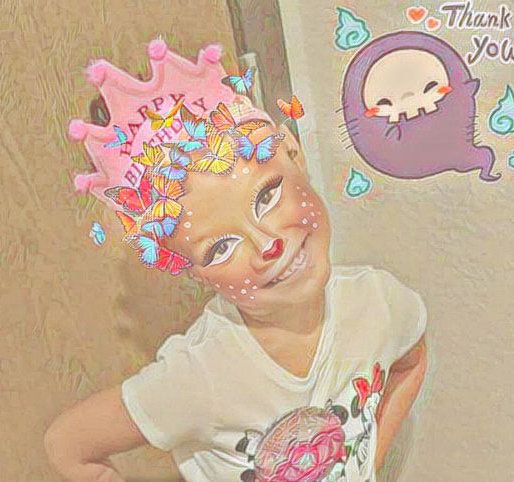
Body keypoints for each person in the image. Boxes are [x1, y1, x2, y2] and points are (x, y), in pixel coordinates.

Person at [44, 39, 428, 482]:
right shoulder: (199, 375)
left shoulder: (378, 301)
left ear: (292, 153)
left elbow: (411, 362)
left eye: (266, 196)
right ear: (193, 270)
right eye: (220, 247)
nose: (267, 245)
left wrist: (369, 462)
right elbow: (67, 446)